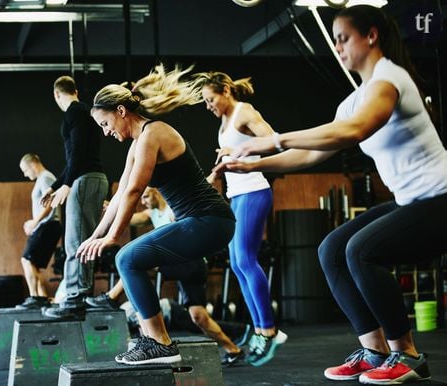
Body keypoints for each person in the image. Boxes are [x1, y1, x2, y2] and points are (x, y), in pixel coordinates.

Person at [214, 5, 447, 384]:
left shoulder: (389, 80)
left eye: (343, 38)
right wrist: (252, 164)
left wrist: (271, 141)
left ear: (371, 36)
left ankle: (408, 355)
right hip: (411, 202)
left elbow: (354, 131)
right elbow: (308, 154)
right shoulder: (353, 99)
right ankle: (375, 350)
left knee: (362, 251)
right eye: (334, 39)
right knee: (331, 250)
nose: (337, 46)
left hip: (439, 199)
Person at [77, 64, 236, 365]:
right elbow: (121, 195)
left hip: (209, 220)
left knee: (126, 257)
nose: (106, 131)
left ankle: (159, 343)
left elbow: (135, 192)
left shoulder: (154, 133)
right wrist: (95, 236)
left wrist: (112, 238)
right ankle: (156, 340)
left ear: (121, 110)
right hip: (200, 222)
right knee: (131, 259)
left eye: (105, 123)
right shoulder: (138, 143)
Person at [85, 187, 243, 366]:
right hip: (177, 264)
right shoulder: (150, 213)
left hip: (192, 264)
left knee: (134, 262)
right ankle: (233, 349)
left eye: (146, 197)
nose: (143, 201)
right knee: (199, 317)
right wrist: (111, 209)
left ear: (156, 192)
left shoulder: (173, 208)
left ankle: (112, 298)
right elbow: (132, 217)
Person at [192, 71, 287, 366]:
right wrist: (219, 168)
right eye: (205, 102)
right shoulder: (223, 122)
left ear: (225, 92)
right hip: (237, 195)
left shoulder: (244, 111)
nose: (208, 106)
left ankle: (268, 330)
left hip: (254, 190)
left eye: (211, 99)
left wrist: (239, 150)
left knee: (246, 260)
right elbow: (232, 156)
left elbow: (274, 141)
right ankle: (259, 328)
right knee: (236, 263)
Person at [41, 75, 109, 317]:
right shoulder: (81, 111)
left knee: (76, 242)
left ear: (57, 95)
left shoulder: (74, 112)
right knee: (82, 241)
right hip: (88, 178)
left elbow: (78, 152)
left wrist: (67, 184)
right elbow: (74, 159)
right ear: (76, 90)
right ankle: (80, 295)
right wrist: (56, 185)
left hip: (85, 180)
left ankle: (74, 299)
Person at [17, 153, 62, 309]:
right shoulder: (43, 179)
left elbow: (50, 202)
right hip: (46, 225)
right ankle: (41, 299)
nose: (25, 174)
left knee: (26, 260)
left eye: (25, 170)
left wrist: (35, 222)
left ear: (33, 165)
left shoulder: (45, 178)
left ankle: (34, 298)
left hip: (47, 225)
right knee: (33, 264)